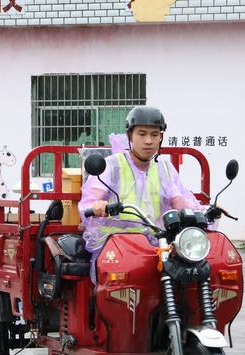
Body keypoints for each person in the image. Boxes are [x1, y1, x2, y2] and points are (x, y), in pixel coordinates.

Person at [79, 105, 207, 282]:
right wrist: (97, 206)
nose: (148, 140)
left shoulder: (165, 168)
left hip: (159, 243)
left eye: (155, 135)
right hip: (118, 244)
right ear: (129, 135)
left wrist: (203, 210)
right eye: (142, 134)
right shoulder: (112, 165)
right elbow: (91, 199)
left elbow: (178, 198)